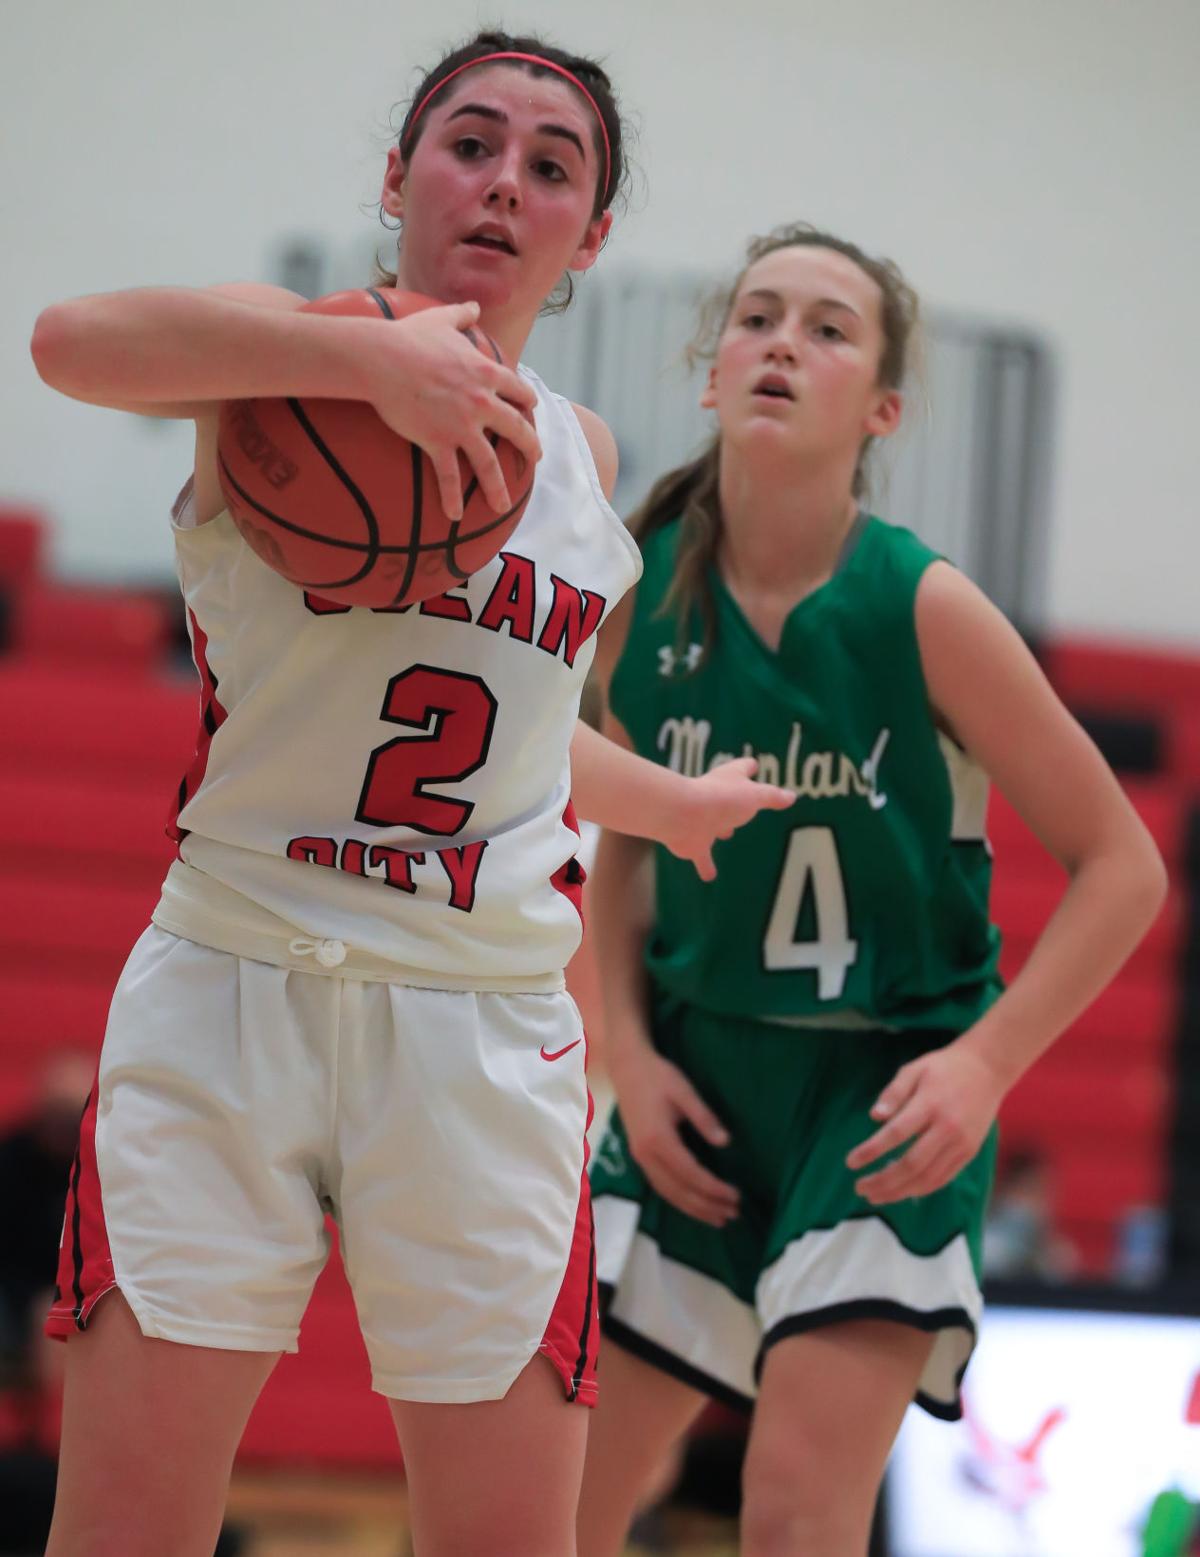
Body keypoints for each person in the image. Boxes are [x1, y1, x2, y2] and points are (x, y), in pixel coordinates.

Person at [28, 34, 793, 1557]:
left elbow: (516, 731)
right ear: (398, 176)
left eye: (553, 164)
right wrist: (364, 359)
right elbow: (65, 339)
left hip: (483, 1027)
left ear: (591, 234)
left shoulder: (582, 454)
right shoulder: (269, 356)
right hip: (233, 981)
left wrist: (662, 798)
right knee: (124, 1526)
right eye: (469, 142)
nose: (506, 181)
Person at [577, 223, 1168, 1557]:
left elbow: (1124, 864)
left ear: (882, 405)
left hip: (883, 1093)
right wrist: (624, 1046)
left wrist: (986, 1066)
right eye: (758, 316)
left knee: (793, 1509)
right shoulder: (642, 586)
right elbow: (624, 828)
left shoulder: (925, 607)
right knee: (563, 1498)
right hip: (695, 1075)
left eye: (829, 327)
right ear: (713, 366)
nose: (784, 340)